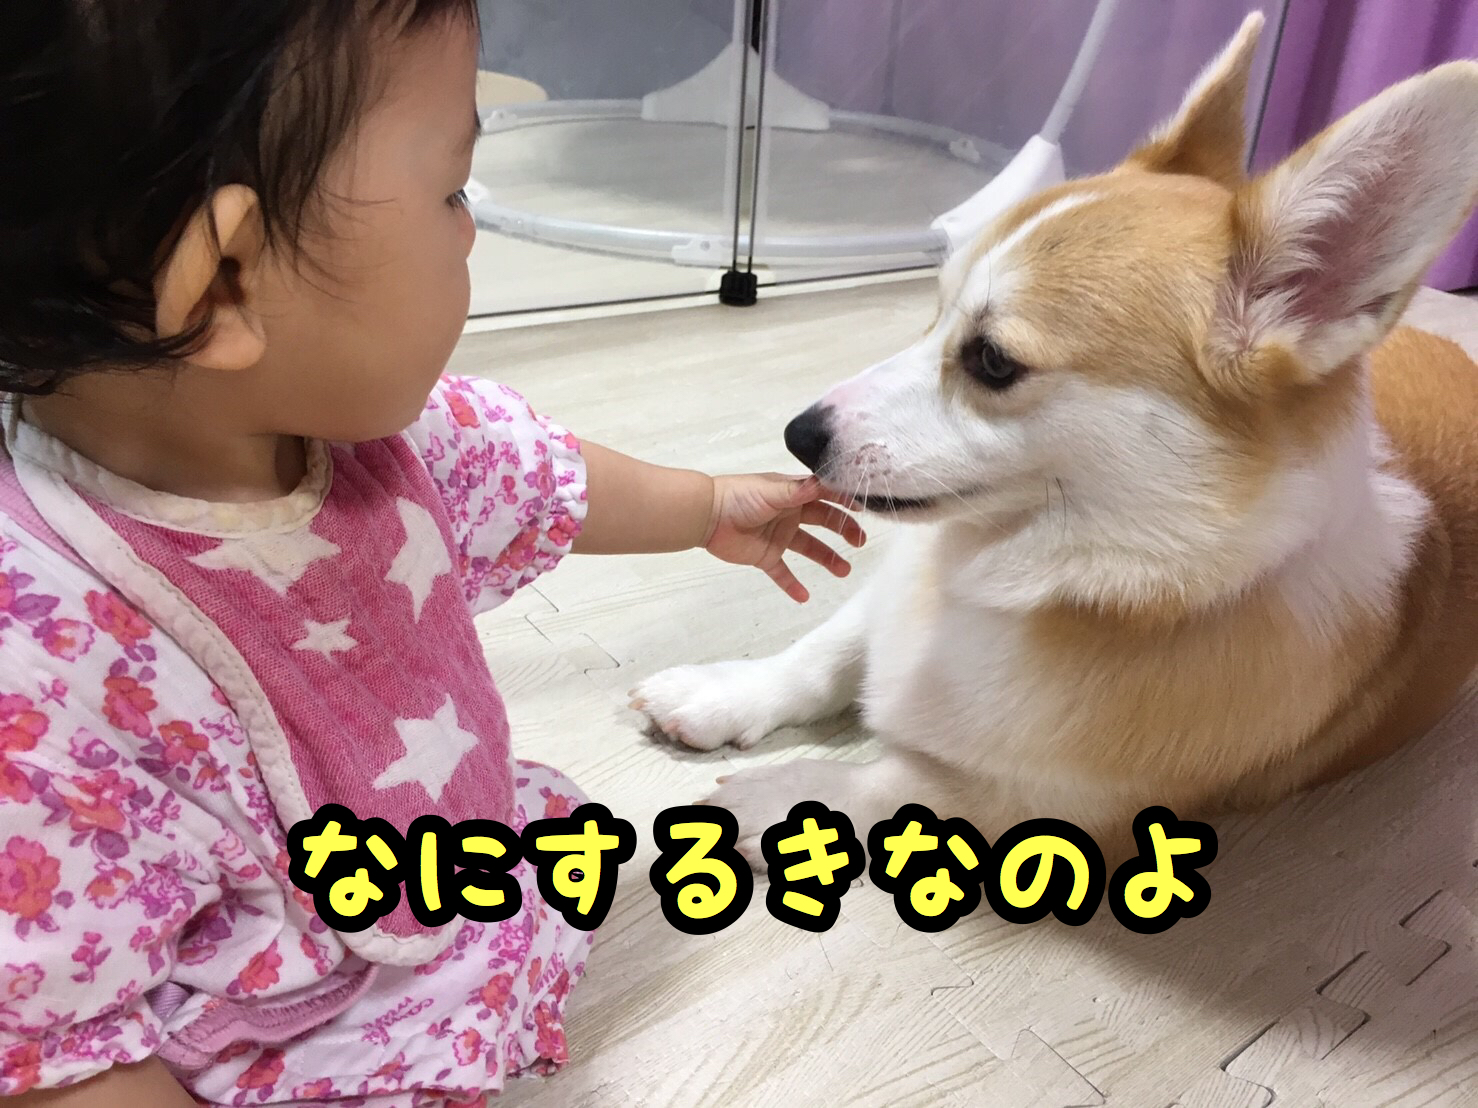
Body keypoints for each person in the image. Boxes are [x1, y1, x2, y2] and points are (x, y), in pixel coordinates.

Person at [0, 2, 863, 1104]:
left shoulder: (366, 442)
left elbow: (536, 472)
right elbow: (66, 1046)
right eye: (452, 190)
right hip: (291, 1036)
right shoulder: (41, 665)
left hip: (439, 868)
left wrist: (706, 506)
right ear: (224, 282)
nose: (468, 230)